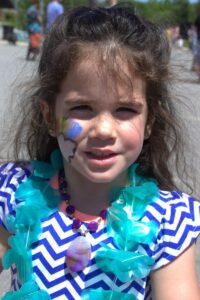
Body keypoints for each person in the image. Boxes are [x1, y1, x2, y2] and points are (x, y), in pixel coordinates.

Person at [0, 6, 200, 300]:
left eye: (125, 110)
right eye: (82, 108)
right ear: (49, 117)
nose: (104, 130)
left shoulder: (168, 221)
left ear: (149, 122)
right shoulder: (16, 192)